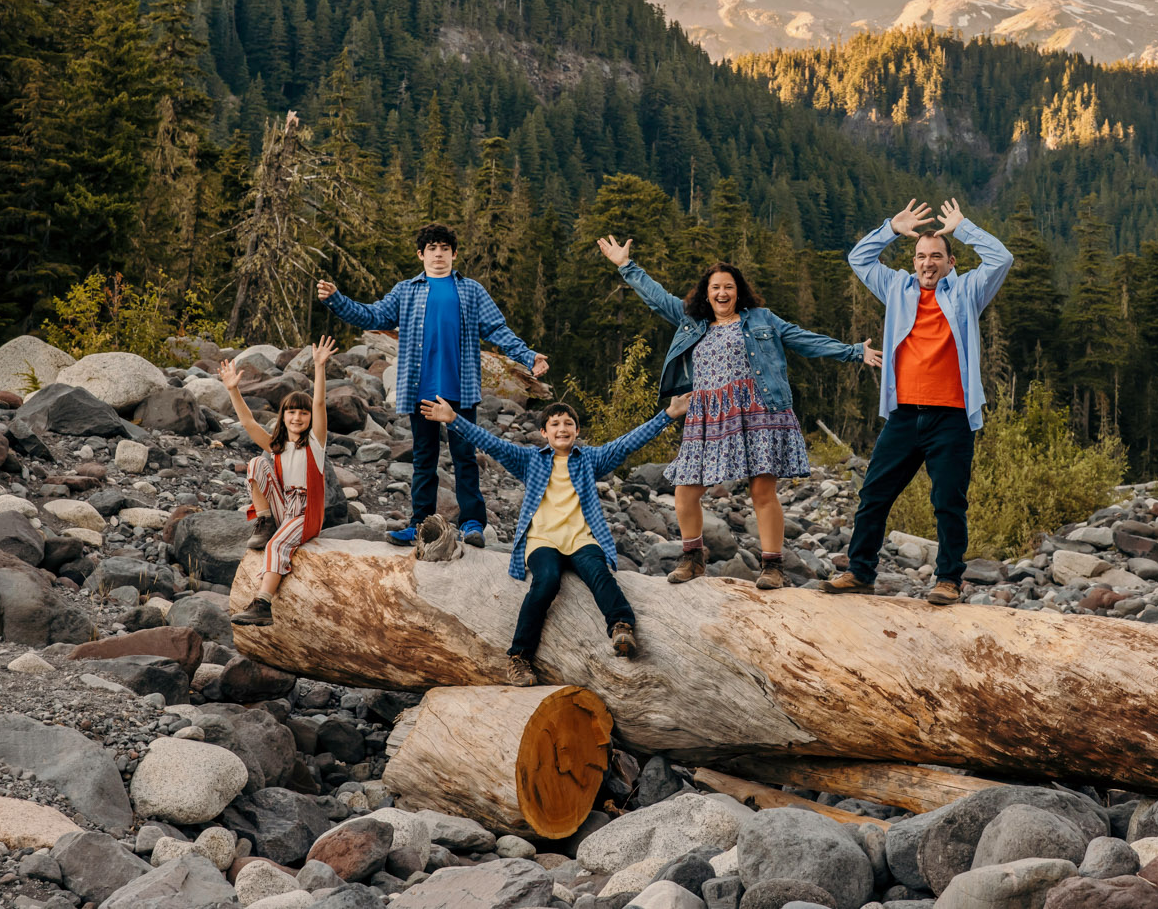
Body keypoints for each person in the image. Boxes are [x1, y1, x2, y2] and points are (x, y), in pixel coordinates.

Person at [595, 236, 881, 589]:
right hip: (707, 415)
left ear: (738, 291)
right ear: (706, 293)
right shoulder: (691, 321)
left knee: (762, 493)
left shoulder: (761, 318)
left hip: (759, 411)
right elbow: (656, 298)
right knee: (685, 491)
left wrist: (852, 352)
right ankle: (693, 559)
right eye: (715, 287)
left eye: (728, 287)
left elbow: (801, 338)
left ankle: (773, 566)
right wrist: (626, 265)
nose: (722, 293)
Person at [415, 392, 691, 683]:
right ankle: (519, 657)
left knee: (600, 573)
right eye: (555, 423)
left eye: (568, 423)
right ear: (544, 432)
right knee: (546, 581)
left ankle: (621, 626)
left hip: (581, 538)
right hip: (542, 540)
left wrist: (668, 415)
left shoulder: (590, 459)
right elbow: (491, 443)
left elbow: (626, 444)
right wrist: (454, 419)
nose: (562, 428)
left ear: (577, 430)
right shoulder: (529, 460)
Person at [824, 198, 1013, 606]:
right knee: (874, 494)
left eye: (936, 257)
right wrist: (891, 228)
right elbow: (858, 258)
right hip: (904, 415)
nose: (928, 264)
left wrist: (963, 227)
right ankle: (860, 572)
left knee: (948, 502)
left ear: (950, 261)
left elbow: (1001, 258)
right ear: (913, 261)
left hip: (952, 417)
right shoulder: (896, 287)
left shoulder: (966, 291)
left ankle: (949, 580)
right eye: (921, 256)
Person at [317, 223, 549, 549]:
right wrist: (336, 300)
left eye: (444, 248)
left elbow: (498, 330)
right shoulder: (406, 290)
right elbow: (371, 317)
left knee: (464, 457)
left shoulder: (471, 291)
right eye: (431, 249)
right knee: (424, 460)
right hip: (420, 389)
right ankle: (419, 525)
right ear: (421, 254)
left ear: (454, 254)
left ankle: (472, 523)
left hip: (461, 390)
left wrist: (528, 356)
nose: (438, 254)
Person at [224, 335, 340, 627]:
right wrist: (233, 390)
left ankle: (263, 604)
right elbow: (249, 423)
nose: (297, 416)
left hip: (307, 512)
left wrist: (319, 367)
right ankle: (265, 521)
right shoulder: (277, 446)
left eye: (303, 412)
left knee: (276, 546)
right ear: (283, 415)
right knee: (256, 464)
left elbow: (321, 403)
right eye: (291, 411)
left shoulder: (315, 443)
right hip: (284, 506)